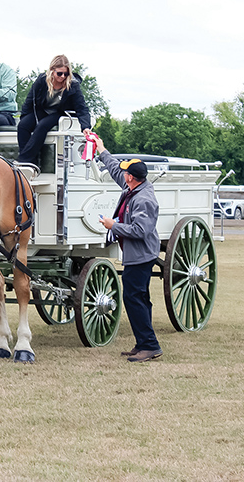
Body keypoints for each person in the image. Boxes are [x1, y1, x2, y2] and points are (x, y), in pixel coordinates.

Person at [95, 136, 163, 363]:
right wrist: (101, 149)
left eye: (126, 172)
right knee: (139, 298)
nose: (122, 173)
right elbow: (114, 168)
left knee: (133, 298)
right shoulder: (133, 186)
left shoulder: (144, 199)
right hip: (138, 254)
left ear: (131, 177)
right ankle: (143, 343)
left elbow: (140, 230)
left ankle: (150, 345)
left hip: (140, 256)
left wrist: (114, 225)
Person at [17, 54, 92, 165]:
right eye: (59, 73)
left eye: (66, 74)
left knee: (42, 126)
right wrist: (25, 117)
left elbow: (81, 107)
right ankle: (31, 162)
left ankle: (24, 161)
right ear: (52, 70)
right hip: (43, 110)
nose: (62, 77)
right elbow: (30, 101)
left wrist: (85, 126)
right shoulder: (42, 80)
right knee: (23, 125)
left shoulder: (73, 85)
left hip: (60, 112)